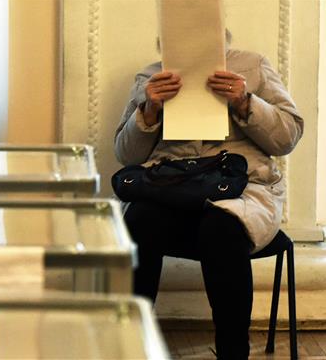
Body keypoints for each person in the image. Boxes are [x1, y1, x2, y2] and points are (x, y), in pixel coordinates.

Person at [114, 38, 304, 359]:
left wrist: (245, 101)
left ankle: (233, 352)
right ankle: (133, 346)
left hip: (244, 188)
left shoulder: (252, 65)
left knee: (223, 227)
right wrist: (149, 110)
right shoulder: (150, 78)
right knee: (138, 220)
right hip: (173, 185)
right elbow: (126, 154)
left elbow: (287, 137)